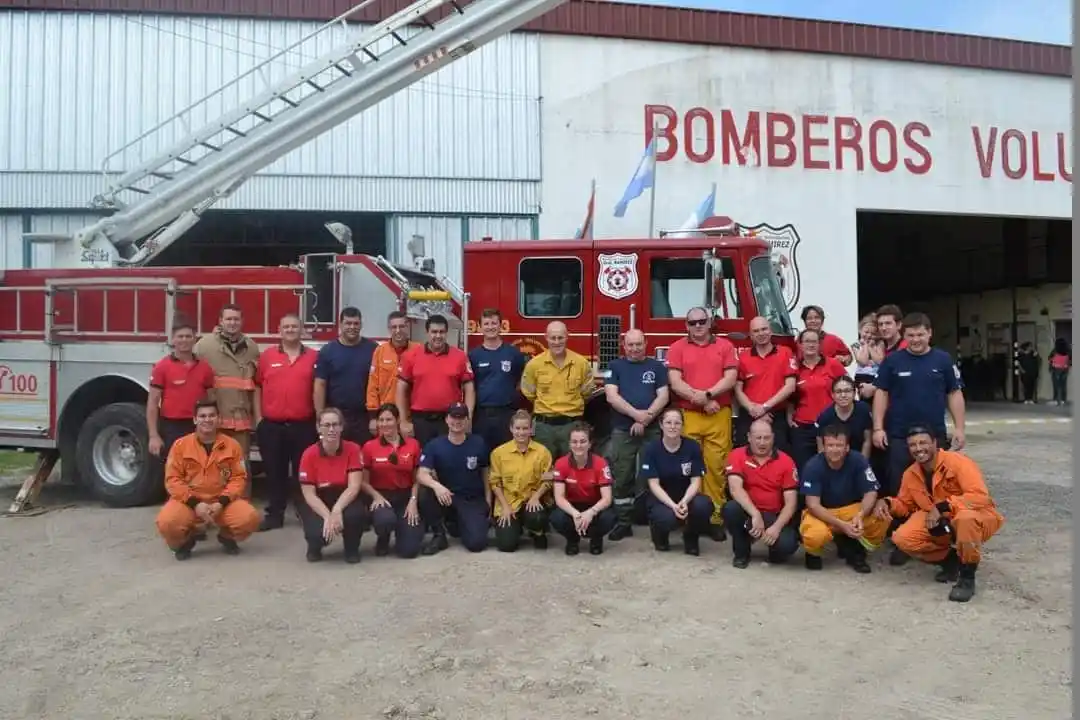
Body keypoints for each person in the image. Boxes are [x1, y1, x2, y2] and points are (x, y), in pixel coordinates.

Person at [872, 312, 966, 568]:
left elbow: (954, 393)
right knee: (901, 487)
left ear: (929, 334)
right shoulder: (893, 362)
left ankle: (942, 537)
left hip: (934, 437)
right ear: (904, 335)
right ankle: (903, 539)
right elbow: (881, 393)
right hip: (900, 435)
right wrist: (878, 427)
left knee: (938, 487)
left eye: (920, 334)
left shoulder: (943, 360)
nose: (915, 339)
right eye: (910, 335)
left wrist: (959, 427)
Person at [873, 426, 1005, 603]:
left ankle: (967, 577)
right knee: (902, 538)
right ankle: (948, 558)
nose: (918, 449)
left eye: (923, 443)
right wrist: (887, 503)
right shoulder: (910, 474)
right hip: (937, 519)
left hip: (975, 516)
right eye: (913, 445)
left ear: (935, 443)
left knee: (964, 519)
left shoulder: (958, 462)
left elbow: (980, 497)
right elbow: (905, 505)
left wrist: (944, 506)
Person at [155, 398, 260, 560]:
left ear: (218, 419)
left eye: (212, 415)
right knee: (168, 522)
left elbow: (238, 478)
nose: (207, 420)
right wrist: (195, 504)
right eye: (202, 416)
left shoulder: (232, 446)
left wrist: (222, 502)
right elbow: (173, 480)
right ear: (195, 419)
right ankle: (184, 542)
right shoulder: (180, 446)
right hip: (188, 501)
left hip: (221, 501)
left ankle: (227, 537)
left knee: (249, 519)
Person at [665, 306, 738, 540]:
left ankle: (715, 518)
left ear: (710, 322)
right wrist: (703, 400)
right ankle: (690, 517)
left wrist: (706, 396)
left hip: (719, 414)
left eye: (701, 321)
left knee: (716, 468)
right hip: (689, 415)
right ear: (686, 325)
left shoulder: (725, 346)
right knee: (688, 468)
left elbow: (731, 378)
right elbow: (675, 382)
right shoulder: (677, 348)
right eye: (692, 322)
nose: (697, 326)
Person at [253, 313, 319, 531]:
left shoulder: (313, 357)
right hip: (272, 426)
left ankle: (305, 511)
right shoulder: (267, 357)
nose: (290, 330)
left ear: (302, 330)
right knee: (274, 472)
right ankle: (275, 514)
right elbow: (257, 387)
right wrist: (259, 419)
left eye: (294, 326)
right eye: (286, 327)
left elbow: (319, 389)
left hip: (303, 425)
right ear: (279, 330)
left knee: (303, 472)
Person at [604, 329, 669, 541]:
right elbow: (612, 397)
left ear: (646, 343)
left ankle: (656, 521)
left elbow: (664, 396)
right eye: (630, 345)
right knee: (622, 475)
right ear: (624, 345)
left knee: (654, 475)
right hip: (623, 429)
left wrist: (646, 418)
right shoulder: (614, 367)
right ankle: (624, 522)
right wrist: (637, 416)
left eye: (638, 344)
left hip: (651, 430)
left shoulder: (657, 367)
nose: (634, 349)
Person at [798, 425, 888, 573]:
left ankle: (857, 548)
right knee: (815, 535)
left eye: (839, 445)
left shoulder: (859, 460)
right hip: (823, 512)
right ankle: (813, 553)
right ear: (824, 447)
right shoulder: (813, 466)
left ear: (847, 447)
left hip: (851, 510)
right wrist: (841, 525)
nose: (834, 449)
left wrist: (860, 515)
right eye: (830, 445)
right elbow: (813, 505)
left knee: (882, 516)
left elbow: (871, 492)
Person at [722, 418, 800, 568]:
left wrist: (777, 527)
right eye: (758, 438)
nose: (762, 442)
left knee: (787, 545)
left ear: (773, 438)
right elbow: (735, 489)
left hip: (774, 516)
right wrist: (755, 514)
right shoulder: (737, 455)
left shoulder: (786, 461)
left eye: (766, 438)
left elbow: (791, 502)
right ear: (749, 438)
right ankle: (742, 552)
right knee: (731, 509)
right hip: (748, 512)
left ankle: (774, 550)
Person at [415, 403, 492, 554]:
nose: (457, 421)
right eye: (453, 417)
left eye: (461, 417)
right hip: (446, 496)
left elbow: (486, 471)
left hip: (471, 499)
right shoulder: (434, 445)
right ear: (446, 419)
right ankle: (439, 535)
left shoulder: (478, 443)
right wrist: (437, 486)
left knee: (476, 544)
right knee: (425, 491)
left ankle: (459, 524)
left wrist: (488, 500)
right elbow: (421, 474)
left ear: (467, 421)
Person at [639, 408, 714, 556]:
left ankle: (691, 537)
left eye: (677, 423)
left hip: (686, 495)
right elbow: (653, 484)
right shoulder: (651, 448)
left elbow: (696, 480)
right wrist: (673, 506)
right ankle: (659, 534)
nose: (672, 426)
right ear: (661, 425)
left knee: (703, 506)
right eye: (668, 422)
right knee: (667, 518)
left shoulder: (692, 446)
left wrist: (684, 502)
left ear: (682, 426)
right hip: (661, 497)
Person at [194, 304, 261, 472]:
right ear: (220, 321)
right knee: (212, 465)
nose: (232, 323)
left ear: (242, 321)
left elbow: (255, 383)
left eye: (236, 319)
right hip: (213, 421)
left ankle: (241, 498)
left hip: (241, 422)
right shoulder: (204, 346)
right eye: (229, 319)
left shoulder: (251, 347)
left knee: (241, 465)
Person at [296, 407, 367, 563]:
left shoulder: (353, 449)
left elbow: (354, 486)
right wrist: (328, 516)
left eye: (335, 424)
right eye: (326, 425)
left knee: (356, 515)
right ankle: (314, 546)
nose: (331, 429)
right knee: (317, 533)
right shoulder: (308, 454)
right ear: (318, 427)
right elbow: (309, 494)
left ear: (342, 427)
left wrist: (337, 509)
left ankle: (351, 549)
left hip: (344, 495)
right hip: (318, 498)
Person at [397, 314, 475, 447]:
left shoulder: (460, 356)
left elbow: (470, 389)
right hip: (420, 421)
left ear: (446, 333)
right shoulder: (411, 356)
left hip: (450, 419)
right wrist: (403, 420)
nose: (438, 336)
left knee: (448, 459)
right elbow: (400, 389)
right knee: (422, 460)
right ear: (427, 332)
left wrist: (468, 418)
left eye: (442, 332)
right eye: (434, 332)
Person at [520, 321, 595, 458]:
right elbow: (529, 393)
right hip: (544, 428)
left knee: (573, 469)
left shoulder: (581, 364)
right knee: (543, 470)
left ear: (567, 337)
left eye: (560, 337)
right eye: (553, 338)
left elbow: (587, 393)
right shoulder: (534, 365)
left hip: (572, 427)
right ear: (546, 337)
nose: (556, 342)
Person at [360, 403, 425, 559]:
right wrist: (376, 496)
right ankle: (383, 538)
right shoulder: (369, 447)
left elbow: (418, 477)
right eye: (381, 420)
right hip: (381, 496)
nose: (384, 424)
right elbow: (363, 481)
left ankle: (404, 533)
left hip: (405, 497)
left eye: (388, 419)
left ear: (397, 420)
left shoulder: (413, 444)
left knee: (409, 551)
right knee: (385, 521)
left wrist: (413, 500)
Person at [147, 320, 215, 462]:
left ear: (195, 339)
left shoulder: (205, 368)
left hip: (199, 426)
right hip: (172, 427)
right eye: (180, 336)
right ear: (173, 339)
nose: (184, 340)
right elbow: (152, 404)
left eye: (188, 336)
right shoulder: (162, 367)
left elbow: (211, 399)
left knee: (200, 468)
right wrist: (153, 435)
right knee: (176, 471)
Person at [489, 410, 554, 552]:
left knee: (536, 516)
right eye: (517, 428)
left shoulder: (542, 452)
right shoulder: (498, 453)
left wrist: (536, 497)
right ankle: (515, 528)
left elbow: (549, 480)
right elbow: (495, 483)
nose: (521, 432)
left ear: (531, 429)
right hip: (509, 502)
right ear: (511, 428)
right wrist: (505, 507)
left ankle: (537, 532)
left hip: (532, 500)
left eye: (525, 428)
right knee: (507, 546)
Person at [314, 306, 379, 445]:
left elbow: (380, 383)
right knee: (336, 458)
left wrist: (376, 417)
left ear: (361, 325)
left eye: (356, 323)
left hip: (364, 417)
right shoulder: (328, 351)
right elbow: (320, 384)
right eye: (348, 323)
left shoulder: (373, 349)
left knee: (362, 459)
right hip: (337, 417)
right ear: (341, 325)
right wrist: (320, 417)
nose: (352, 327)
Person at [550, 422, 617, 556]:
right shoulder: (561, 463)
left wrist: (591, 512)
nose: (578, 446)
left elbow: (607, 498)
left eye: (582, 441)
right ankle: (572, 540)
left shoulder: (600, 463)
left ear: (590, 444)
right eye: (574, 442)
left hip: (595, 505)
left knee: (609, 518)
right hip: (571, 505)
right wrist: (576, 514)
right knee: (556, 518)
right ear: (569, 444)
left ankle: (596, 539)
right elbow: (559, 498)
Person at [734, 315, 797, 454]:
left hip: (776, 414)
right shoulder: (743, 357)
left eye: (764, 329)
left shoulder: (785, 352)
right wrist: (754, 410)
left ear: (770, 331)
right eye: (756, 331)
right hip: (749, 414)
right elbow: (737, 390)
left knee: (780, 456)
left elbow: (790, 386)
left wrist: (764, 407)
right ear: (750, 335)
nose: (761, 333)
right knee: (743, 455)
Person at [468, 308, 527, 451]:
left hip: (507, 414)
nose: (490, 327)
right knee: (482, 457)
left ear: (501, 326)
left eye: (494, 323)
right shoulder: (473, 356)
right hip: (481, 416)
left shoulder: (514, 354)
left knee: (508, 455)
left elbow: (521, 382)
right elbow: (470, 387)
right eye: (486, 324)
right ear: (480, 327)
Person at [787, 329, 846, 471]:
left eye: (814, 341)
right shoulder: (795, 368)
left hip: (829, 425)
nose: (811, 345)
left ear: (820, 344)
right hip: (803, 427)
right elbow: (790, 396)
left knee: (831, 467)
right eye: (807, 341)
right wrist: (789, 417)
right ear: (800, 345)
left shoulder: (833, 365)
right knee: (804, 468)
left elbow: (847, 388)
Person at [366, 310, 419, 436]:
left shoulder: (419, 350)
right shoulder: (380, 351)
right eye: (394, 327)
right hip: (386, 415)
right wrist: (373, 417)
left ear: (408, 327)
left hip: (411, 415)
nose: (398, 330)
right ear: (389, 329)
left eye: (401, 326)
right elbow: (373, 385)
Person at [815, 375, 872, 459]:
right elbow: (821, 449)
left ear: (854, 393)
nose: (843, 395)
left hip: (859, 458)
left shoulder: (864, 410)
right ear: (832, 395)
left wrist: (862, 465)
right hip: (835, 460)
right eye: (838, 392)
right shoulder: (825, 416)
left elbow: (867, 441)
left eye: (847, 391)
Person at [851, 313, 880, 401]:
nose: (869, 335)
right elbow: (863, 361)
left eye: (873, 333)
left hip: (875, 377)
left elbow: (879, 360)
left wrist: (871, 347)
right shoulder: (855, 345)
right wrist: (866, 346)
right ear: (860, 330)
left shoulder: (879, 344)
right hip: (861, 377)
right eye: (866, 332)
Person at [1049, 338, 1071, 406]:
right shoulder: (1068, 351)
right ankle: (1063, 400)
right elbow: (1070, 361)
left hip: (1055, 369)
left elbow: (1050, 359)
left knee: (1056, 385)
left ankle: (1056, 399)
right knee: (1063, 385)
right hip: (1064, 369)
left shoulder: (1055, 351)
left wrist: (1050, 367)